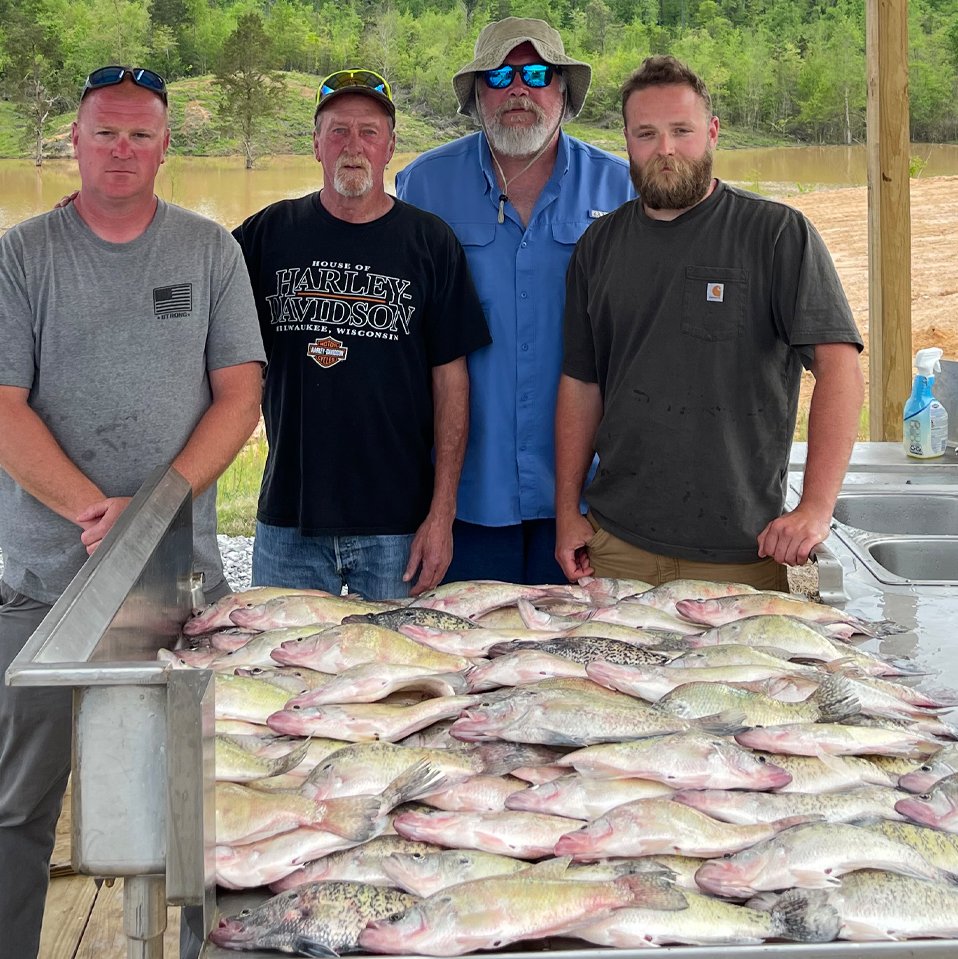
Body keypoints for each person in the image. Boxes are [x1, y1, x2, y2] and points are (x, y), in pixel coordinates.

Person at [0, 66, 265, 957]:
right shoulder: (22, 253)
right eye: (104, 132)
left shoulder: (209, 249)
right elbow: (2, 405)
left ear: (165, 146)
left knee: (197, 797)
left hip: (179, 580)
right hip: (40, 578)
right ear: (71, 141)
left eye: (141, 134)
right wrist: (91, 507)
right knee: (15, 801)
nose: (122, 149)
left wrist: (152, 508)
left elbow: (239, 393)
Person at [555, 55, 865, 590]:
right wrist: (567, 511)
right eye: (646, 133)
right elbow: (581, 384)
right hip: (617, 545)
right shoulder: (598, 246)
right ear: (626, 139)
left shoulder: (776, 234)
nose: (665, 149)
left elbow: (839, 368)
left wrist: (815, 508)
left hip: (743, 550)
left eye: (682, 131)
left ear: (712, 132)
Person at [233, 68, 490, 601]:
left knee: (395, 681)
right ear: (316, 145)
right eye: (338, 132)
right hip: (289, 516)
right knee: (283, 676)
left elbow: (453, 384)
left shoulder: (430, 241)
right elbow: (187, 269)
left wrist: (442, 514)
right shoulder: (267, 233)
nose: (354, 146)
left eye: (369, 132)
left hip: (397, 524)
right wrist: (105, 212)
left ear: (390, 146)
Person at [396, 18, 635, 585]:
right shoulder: (422, 186)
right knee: (469, 665)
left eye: (536, 73)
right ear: (478, 94)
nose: (518, 89)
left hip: (587, 500)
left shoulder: (622, 189)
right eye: (499, 75)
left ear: (563, 91)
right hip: (465, 497)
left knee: (572, 664)